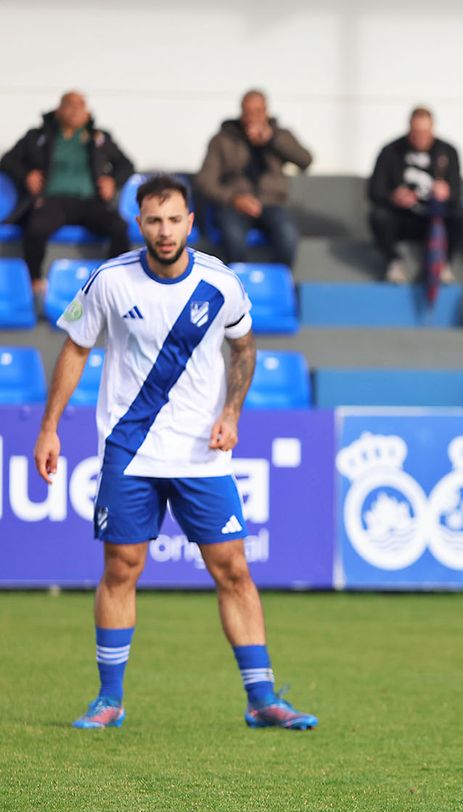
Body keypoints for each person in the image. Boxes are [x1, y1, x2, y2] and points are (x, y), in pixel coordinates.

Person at [30, 175, 315, 732]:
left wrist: (232, 412)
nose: (165, 231)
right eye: (154, 220)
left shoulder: (220, 283)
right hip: (129, 450)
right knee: (122, 567)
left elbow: (244, 346)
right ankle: (108, 699)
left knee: (232, 568)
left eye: (174, 219)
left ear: (190, 222)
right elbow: (75, 347)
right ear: (140, 223)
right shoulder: (108, 282)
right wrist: (49, 428)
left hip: (200, 456)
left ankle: (261, 699)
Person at [0, 91, 134, 292]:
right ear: (58, 110)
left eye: (80, 106)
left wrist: (112, 181)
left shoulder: (99, 138)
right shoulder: (37, 136)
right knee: (35, 227)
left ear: (87, 113)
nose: (74, 110)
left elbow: (127, 165)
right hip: (52, 202)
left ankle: (115, 284)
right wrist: (27, 174)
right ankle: (34, 281)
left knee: (119, 227)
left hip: (89, 202)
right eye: (69, 105)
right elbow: (7, 161)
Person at [196, 90, 313, 267]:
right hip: (234, 205)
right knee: (232, 237)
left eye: (257, 112)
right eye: (247, 112)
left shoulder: (281, 135)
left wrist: (272, 140)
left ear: (266, 112)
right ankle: (238, 283)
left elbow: (306, 160)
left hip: (272, 203)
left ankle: (275, 283)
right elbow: (205, 181)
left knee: (288, 235)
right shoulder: (223, 139)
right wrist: (233, 198)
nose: (252, 118)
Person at [367, 107, 462, 284]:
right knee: (379, 216)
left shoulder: (447, 151)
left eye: (425, 132)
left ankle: (444, 263)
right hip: (402, 219)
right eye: (416, 132)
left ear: (433, 129)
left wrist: (446, 193)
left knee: (460, 216)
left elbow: (457, 194)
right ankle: (394, 261)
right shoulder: (391, 151)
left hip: (433, 218)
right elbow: (374, 191)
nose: (420, 138)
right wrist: (394, 197)